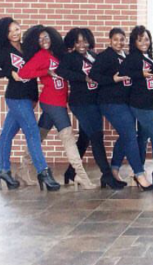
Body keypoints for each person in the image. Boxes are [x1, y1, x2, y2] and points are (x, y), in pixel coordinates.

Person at [0, 17, 58, 191]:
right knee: (32, 132)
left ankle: (2, 170)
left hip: (30, 97)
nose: (15, 33)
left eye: (17, 29)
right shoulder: (3, 51)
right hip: (16, 97)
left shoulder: (27, 47)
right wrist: (9, 72)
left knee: (7, 134)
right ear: (4, 34)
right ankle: (43, 171)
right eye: (10, 31)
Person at [18, 25, 97, 190]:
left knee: (39, 136)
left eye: (46, 37)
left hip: (59, 100)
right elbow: (23, 73)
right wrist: (44, 71)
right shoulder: (41, 56)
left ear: (53, 37)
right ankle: (81, 176)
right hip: (52, 102)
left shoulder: (59, 55)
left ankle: (22, 170)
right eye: (39, 39)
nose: (44, 41)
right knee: (68, 137)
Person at [58, 28, 125, 189]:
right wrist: (83, 78)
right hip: (81, 103)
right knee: (96, 136)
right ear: (73, 43)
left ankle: (70, 173)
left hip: (94, 102)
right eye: (78, 41)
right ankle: (107, 175)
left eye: (85, 41)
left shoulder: (94, 56)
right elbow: (60, 71)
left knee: (85, 138)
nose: (82, 44)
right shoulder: (70, 58)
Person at [90, 28, 153, 191]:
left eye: (122, 39)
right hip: (111, 102)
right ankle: (139, 174)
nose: (119, 42)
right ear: (110, 40)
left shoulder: (126, 56)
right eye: (116, 39)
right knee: (130, 135)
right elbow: (94, 75)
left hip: (126, 102)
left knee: (126, 135)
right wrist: (112, 79)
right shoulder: (105, 56)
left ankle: (114, 170)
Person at [120, 25, 153, 192]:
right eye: (139, 39)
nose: (144, 42)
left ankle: (139, 172)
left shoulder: (150, 57)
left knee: (143, 138)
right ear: (134, 42)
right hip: (140, 104)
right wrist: (140, 74)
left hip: (152, 104)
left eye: (146, 39)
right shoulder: (133, 58)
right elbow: (123, 72)